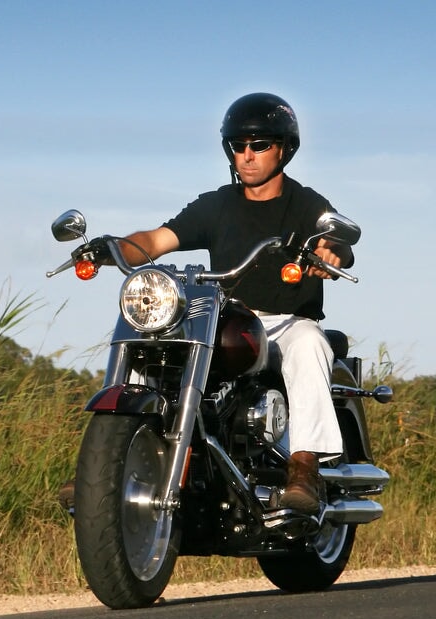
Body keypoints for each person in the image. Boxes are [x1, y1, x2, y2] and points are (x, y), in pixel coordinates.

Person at [113, 92, 354, 513]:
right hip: (228, 319)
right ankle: (111, 464)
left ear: (284, 149)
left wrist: (331, 252)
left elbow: (335, 240)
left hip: (285, 324)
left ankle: (304, 467)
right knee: (151, 338)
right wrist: (112, 247)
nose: (247, 155)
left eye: (259, 145)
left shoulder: (304, 203)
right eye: (238, 146)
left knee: (310, 343)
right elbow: (156, 240)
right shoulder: (217, 205)